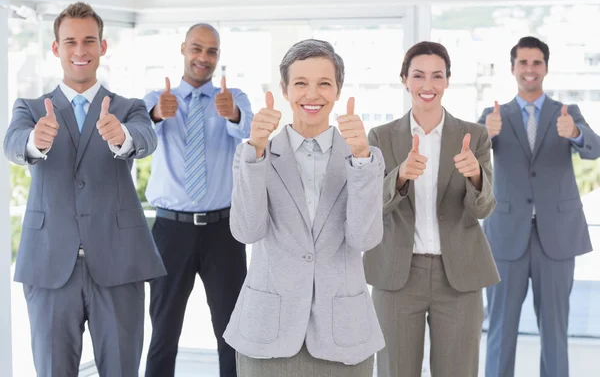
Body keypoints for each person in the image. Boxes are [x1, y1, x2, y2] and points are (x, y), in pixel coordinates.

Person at [3, 2, 165, 377]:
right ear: (56, 48)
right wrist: (34, 142)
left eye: (89, 41)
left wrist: (121, 136)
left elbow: (145, 137)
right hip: (49, 266)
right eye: (70, 42)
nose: (80, 50)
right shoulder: (29, 108)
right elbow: (13, 144)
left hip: (118, 263)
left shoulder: (129, 108)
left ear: (102, 47)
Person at [222, 38, 385, 377]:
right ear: (285, 89)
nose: (312, 95)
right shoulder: (253, 153)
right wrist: (256, 152)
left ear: (338, 90)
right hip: (267, 332)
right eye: (301, 83)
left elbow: (364, 238)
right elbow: (247, 231)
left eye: (324, 83)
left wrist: (359, 159)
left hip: (343, 335)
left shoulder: (365, 158)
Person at [363, 41, 500, 377]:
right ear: (404, 80)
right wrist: (399, 178)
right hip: (397, 275)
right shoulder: (380, 137)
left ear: (447, 82)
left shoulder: (475, 136)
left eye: (437, 76)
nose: (428, 85)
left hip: (459, 278)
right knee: (395, 371)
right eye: (419, 75)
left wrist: (476, 175)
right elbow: (368, 206)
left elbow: (483, 208)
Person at [480, 36, 600, 377]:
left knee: (554, 330)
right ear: (513, 68)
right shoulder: (494, 115)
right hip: (506, 237)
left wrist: (575, 132)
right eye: (523, 63)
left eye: (536, 63)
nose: (529, 69)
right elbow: (468, 155)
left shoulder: (567, 112)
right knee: (500, 328)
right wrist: (483, 134)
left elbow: (595, 148)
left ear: (545, 68)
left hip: (557, 237)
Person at [143, 23, 253, 377]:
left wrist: (232, 114)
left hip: (223, 231)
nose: (203, 57)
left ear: (218, 57)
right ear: (183, 49)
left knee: (232, 332)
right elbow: (137, 138)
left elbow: (252, 134)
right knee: (163, 332)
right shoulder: (154, 101)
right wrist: (158, 114)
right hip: (169, 231)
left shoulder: (234, 98)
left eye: (211, 51)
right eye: (197, 48)